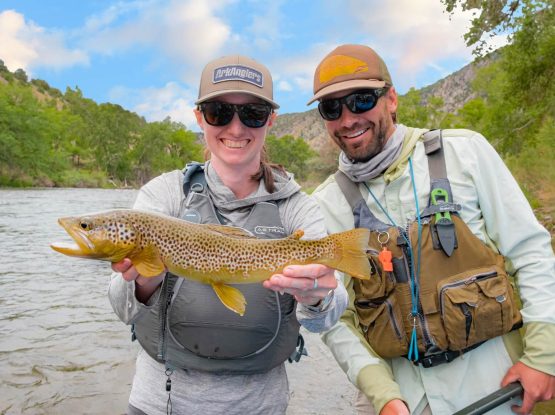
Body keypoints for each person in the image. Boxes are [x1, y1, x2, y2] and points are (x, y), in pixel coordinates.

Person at [308, 44, 555, 415]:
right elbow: (336, 317)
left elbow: (530, 252)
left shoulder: (465, 152)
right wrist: (382, 395)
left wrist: (543, 355)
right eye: (332, 108)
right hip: (400, 398)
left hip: (499, 387)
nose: (347, 119)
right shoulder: (325, 204)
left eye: (361, 100)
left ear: (391, 99)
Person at [108, 54, 348, 415]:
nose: (236, 129)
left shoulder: (298, 207)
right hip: (160, 404)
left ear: (271, 120)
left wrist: (317, 297)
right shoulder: (163, 196)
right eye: (219, 112)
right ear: (199, 117)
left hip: (260, 406)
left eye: (252, 114)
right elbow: (121, 307)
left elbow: (327, 317)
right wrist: (145, 281)